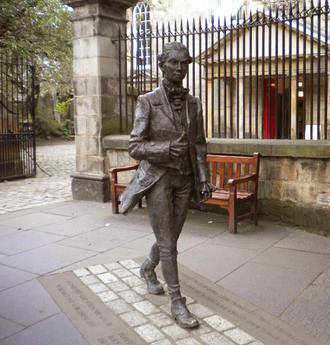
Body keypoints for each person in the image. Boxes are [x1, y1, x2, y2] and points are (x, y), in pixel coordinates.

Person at [119, 42, 214, 329]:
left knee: (170, 236)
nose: (180, 68)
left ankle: (148, 268)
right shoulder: (147, 101)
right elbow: (135, 146)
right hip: (158, 178)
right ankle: (176, 301)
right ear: (162, 65)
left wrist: (204, 177)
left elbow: (198, 144)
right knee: (168, 244)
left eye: (184, 63)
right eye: (174, 62)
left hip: (185, 180)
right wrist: (164, 149)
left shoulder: (193, 103)